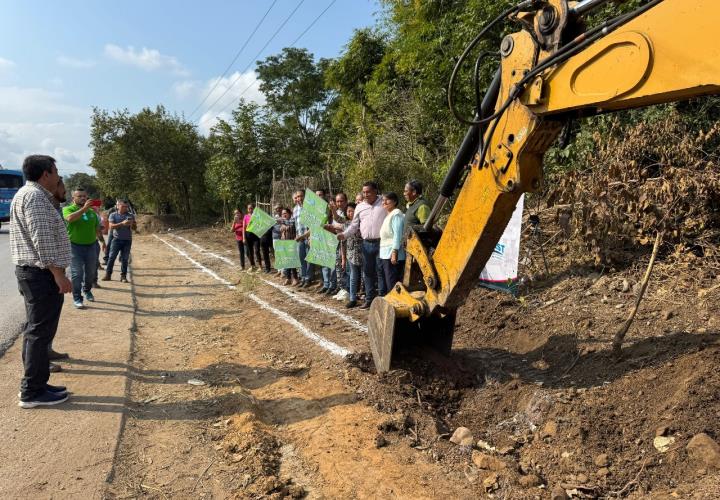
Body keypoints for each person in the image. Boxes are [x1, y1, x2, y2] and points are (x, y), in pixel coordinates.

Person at [10, 154, 72, 408]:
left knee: (36, 331)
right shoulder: (35, 197)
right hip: (41, 275)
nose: (58, 176)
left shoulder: (28, 195)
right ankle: (32, 392)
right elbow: (43, 242)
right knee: (39, 332)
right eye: (56, 171)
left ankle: (37, 383)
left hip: (35, 274)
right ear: (46, 173)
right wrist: (59, 274)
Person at [338, 181, 388, 309]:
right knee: (368, 273)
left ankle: (383, 299)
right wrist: (344, 234)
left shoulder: (384, 202)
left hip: (382, 243)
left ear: (376, 191)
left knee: (381, 271)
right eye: (364, 192)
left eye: (368, 192)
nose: (365, 195)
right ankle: (369, 299)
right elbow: (354, 226)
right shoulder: (360, 207)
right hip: (366, 244)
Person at [63, 188, 105, 308]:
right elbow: (70, 219)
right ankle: (77, 298)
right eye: (80, 196)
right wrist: (84, 209)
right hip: (74, 247)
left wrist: (103, 242)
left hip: (91, 246)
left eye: (85, 196)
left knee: (91, 272)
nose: (83, 198)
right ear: (73, 198)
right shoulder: (68, 209)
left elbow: (97, 229)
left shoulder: (92, 213)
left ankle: (87, 290)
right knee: (77, 273)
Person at [102, 199, 135, 282]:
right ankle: (108, 275)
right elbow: (111, 227)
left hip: (127, 240)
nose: (125, 208)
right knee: (111, 257)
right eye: (123, 206)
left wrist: (133, 224)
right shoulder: (113, 215)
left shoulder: (130, 215)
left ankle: (123, 276)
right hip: (116, 240)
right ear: (118, 206)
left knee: (124, 259)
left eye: (126, 206)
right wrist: (122, 223)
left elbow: (135, 228)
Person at [379, 192, 406, 291]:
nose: (384, 202)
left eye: (387, 200)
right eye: (383, 200)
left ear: (394, 201)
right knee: (389, 282)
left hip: (393, 254)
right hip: (385, 254)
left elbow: (397, 235)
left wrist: (394, 252)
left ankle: (396, 305)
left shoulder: (396, 214)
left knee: (393, 283)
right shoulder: (389, 215)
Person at [341, 203, 362, 308]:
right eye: (348, 211)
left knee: (364, 275)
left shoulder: (362, 222)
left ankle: (364, 296)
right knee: (353, 276)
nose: (350, 213)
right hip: (351, 254)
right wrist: (343, 258)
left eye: (352, 210)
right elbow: (343, 243)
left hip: (362, 252)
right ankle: (352, 298)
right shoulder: (345, 225)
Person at [292, 190, 314, 287]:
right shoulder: (295, 209)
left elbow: (313, 224)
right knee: (301, 259)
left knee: (309, 259)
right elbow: (295, 224)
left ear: (305, 196)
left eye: (301, 196)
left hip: (309, 237)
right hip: (299, 238)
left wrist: (310, 237)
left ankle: (308, 278)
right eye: (297, 197)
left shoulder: (310, 207)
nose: (299, 198)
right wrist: (296, 235)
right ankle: (303, 277)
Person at [279, 207, 299, 285]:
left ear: (289, 213)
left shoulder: (293, 220)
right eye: (282, 214)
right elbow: (281, 229)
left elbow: (290, 227)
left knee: (292, 261)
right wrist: (282, 228)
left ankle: (295, 278)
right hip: (285, 243)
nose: (284, 215)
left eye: (285, 213)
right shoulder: (284, 221)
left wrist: (285, 227)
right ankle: (288, 278)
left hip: (292, 242)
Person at [243, 203, 262, 272]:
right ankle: (252, 266)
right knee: (250, 252)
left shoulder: (257, 216)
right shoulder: (245, 217)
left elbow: (260, 225)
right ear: (247, 209)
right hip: (248, 235)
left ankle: (260, 266)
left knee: (257, 251)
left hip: (256, 235)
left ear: (254, 209)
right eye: (249, 208)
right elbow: (244, 228)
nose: (250, 209)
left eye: (251, 208)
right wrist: (244, 238)